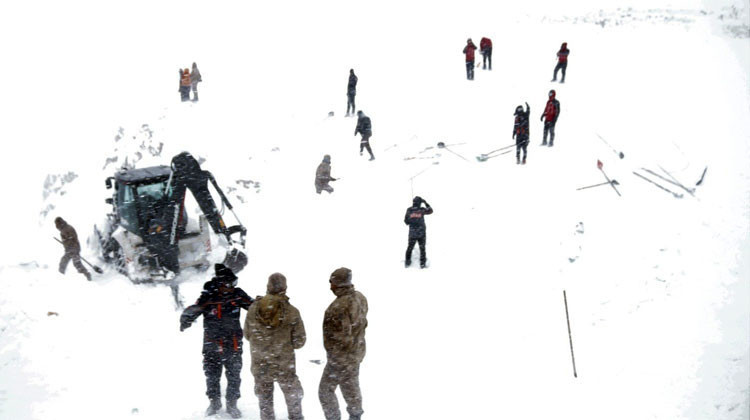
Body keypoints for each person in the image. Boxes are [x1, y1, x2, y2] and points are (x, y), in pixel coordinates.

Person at [180, 264, 254, 419]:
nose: (233, 287)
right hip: (212, 344)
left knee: (234, 375)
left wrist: (266, 306)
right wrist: (186, 319)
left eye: (235, 283)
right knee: (212, 375)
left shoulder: (237, 295)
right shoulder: (209, 297)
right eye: (230, 284)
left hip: (233, 343)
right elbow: (196, 309)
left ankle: (232, 404)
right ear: (221, 284)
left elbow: (254, 307)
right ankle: (214, 402)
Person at [244, 273, 306, 420]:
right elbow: (299, 342)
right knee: (293, 397)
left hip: (260, 364)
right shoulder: (292, 311)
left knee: (265, 402)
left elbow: (247, 335)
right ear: (285, 288)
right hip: (284, 365)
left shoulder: (253, 309)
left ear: (268, 287)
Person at [319, 267, 368, 420]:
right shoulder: (360, 298)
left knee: (325, 391)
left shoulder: (337, 308)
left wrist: (335, 357)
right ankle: (355, 415)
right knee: (351, 387)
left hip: (340, 358)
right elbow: (362, 323)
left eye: (332, 282)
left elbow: (340, 337)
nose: (330, 286)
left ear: (339, 283)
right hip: (356, 353)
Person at [55, 217, 91, 281]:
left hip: (74, 249)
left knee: (77, 263)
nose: (56, 226)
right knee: (63, 262)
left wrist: (70, 247)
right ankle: (60, 277)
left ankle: (87, 275)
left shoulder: (68, 228)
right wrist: (66, 245)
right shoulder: (63, 230)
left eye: (57, 224)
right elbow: (66, 241)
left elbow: (73, 238)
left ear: (59, 223)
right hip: (69, 250)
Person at [403, 196, 433, 268]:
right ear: (420, 202)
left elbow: (406, 221)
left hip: (412, 234)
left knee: (410, 248)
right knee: (422, 249)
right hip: (421, 234)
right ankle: (422, 264)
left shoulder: (409, 210)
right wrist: (425, 203)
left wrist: (411, 220)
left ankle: (407, 262)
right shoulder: (422, 210)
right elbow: (431, 210)